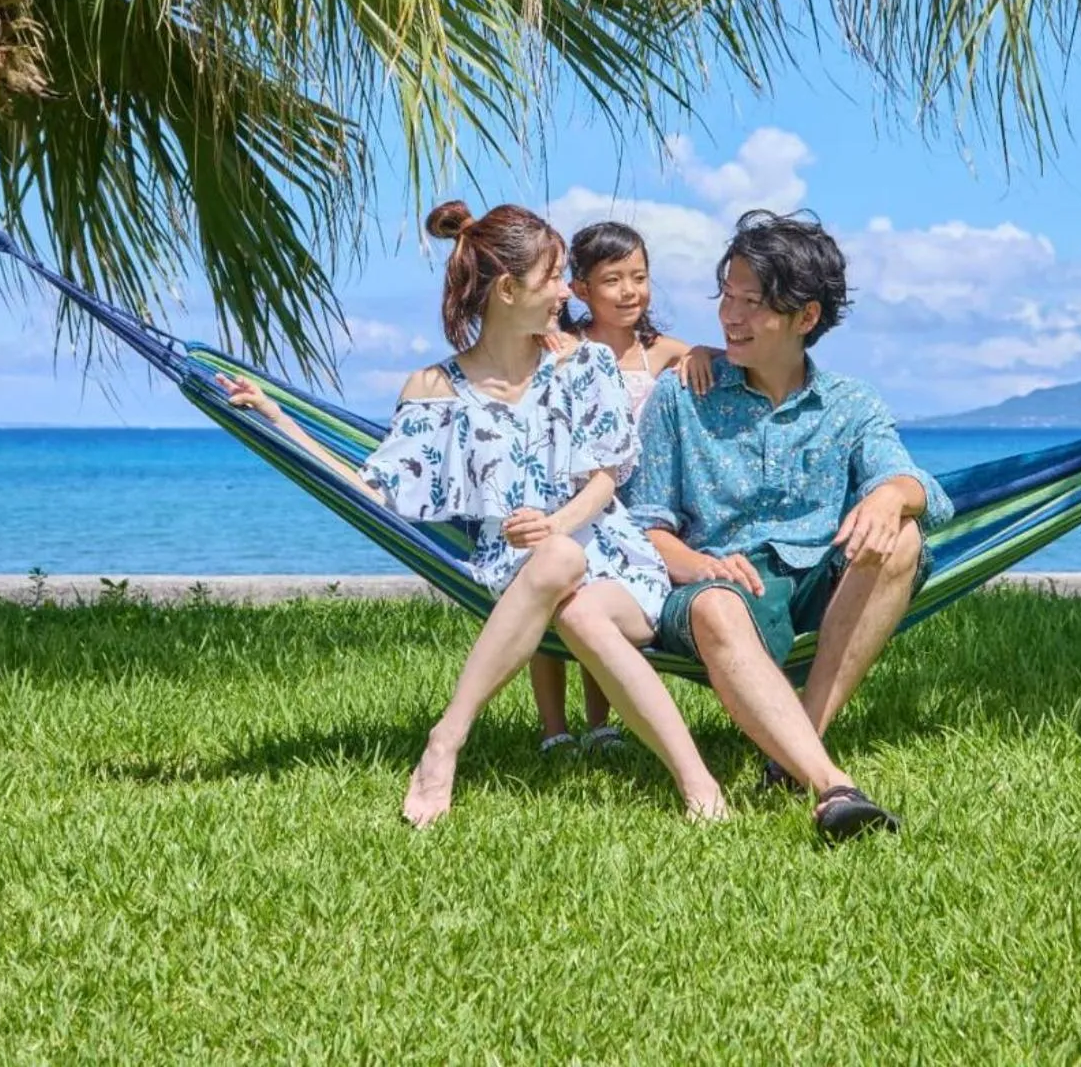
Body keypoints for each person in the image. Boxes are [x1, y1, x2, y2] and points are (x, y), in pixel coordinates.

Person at [222, 201, 726, 828]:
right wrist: (279, 422)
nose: (566, 292)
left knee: (565, 562)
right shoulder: (435, 391)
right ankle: (696, 785)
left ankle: (448, 738)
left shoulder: (584, 364)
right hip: (512, 566)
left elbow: (607, 475)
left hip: (610, 554)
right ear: (508, 290)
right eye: (553, 279)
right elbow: (375, 490)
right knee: (557, 567)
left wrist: (557, 523)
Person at [624, 209, 956, 842]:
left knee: (904, 536)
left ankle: (791, 747)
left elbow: (922, 490)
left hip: (817, 584)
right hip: (717, 587)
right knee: (718, 609)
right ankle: (831, 785)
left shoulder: (849, 404)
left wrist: (890, 497)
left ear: (805, 317)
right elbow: (646, 525)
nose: (730, 316)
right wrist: (698, 567)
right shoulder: (682, 395)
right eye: (727, 297)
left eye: (753, 303)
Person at [526, 221, 719, 756]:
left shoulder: (656, 353)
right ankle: (552, 727)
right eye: (613, 280)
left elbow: (721, 358)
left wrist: (700, 352)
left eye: (639, 276)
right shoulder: (562, 347)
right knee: (549, 596)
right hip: (573, 495)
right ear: (581, 289)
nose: (630, 291)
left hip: (637, 503)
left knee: (602, 600)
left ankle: (600, 723)